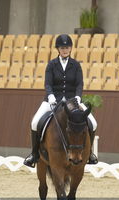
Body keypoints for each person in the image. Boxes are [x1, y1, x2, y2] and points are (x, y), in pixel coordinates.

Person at [23, 34, 98, 168]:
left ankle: (90, 153)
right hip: (52, 99)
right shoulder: (52, 64)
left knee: (93, 122)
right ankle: (34, 154)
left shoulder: (75, 65)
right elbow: (48, 84)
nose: (65, 50)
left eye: (67, 47)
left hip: (72, 100)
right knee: (35, 122)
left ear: (70, 49)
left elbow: (79, 84)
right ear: (58, 49)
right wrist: (50, 96)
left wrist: (77, 97)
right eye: (62, 47)